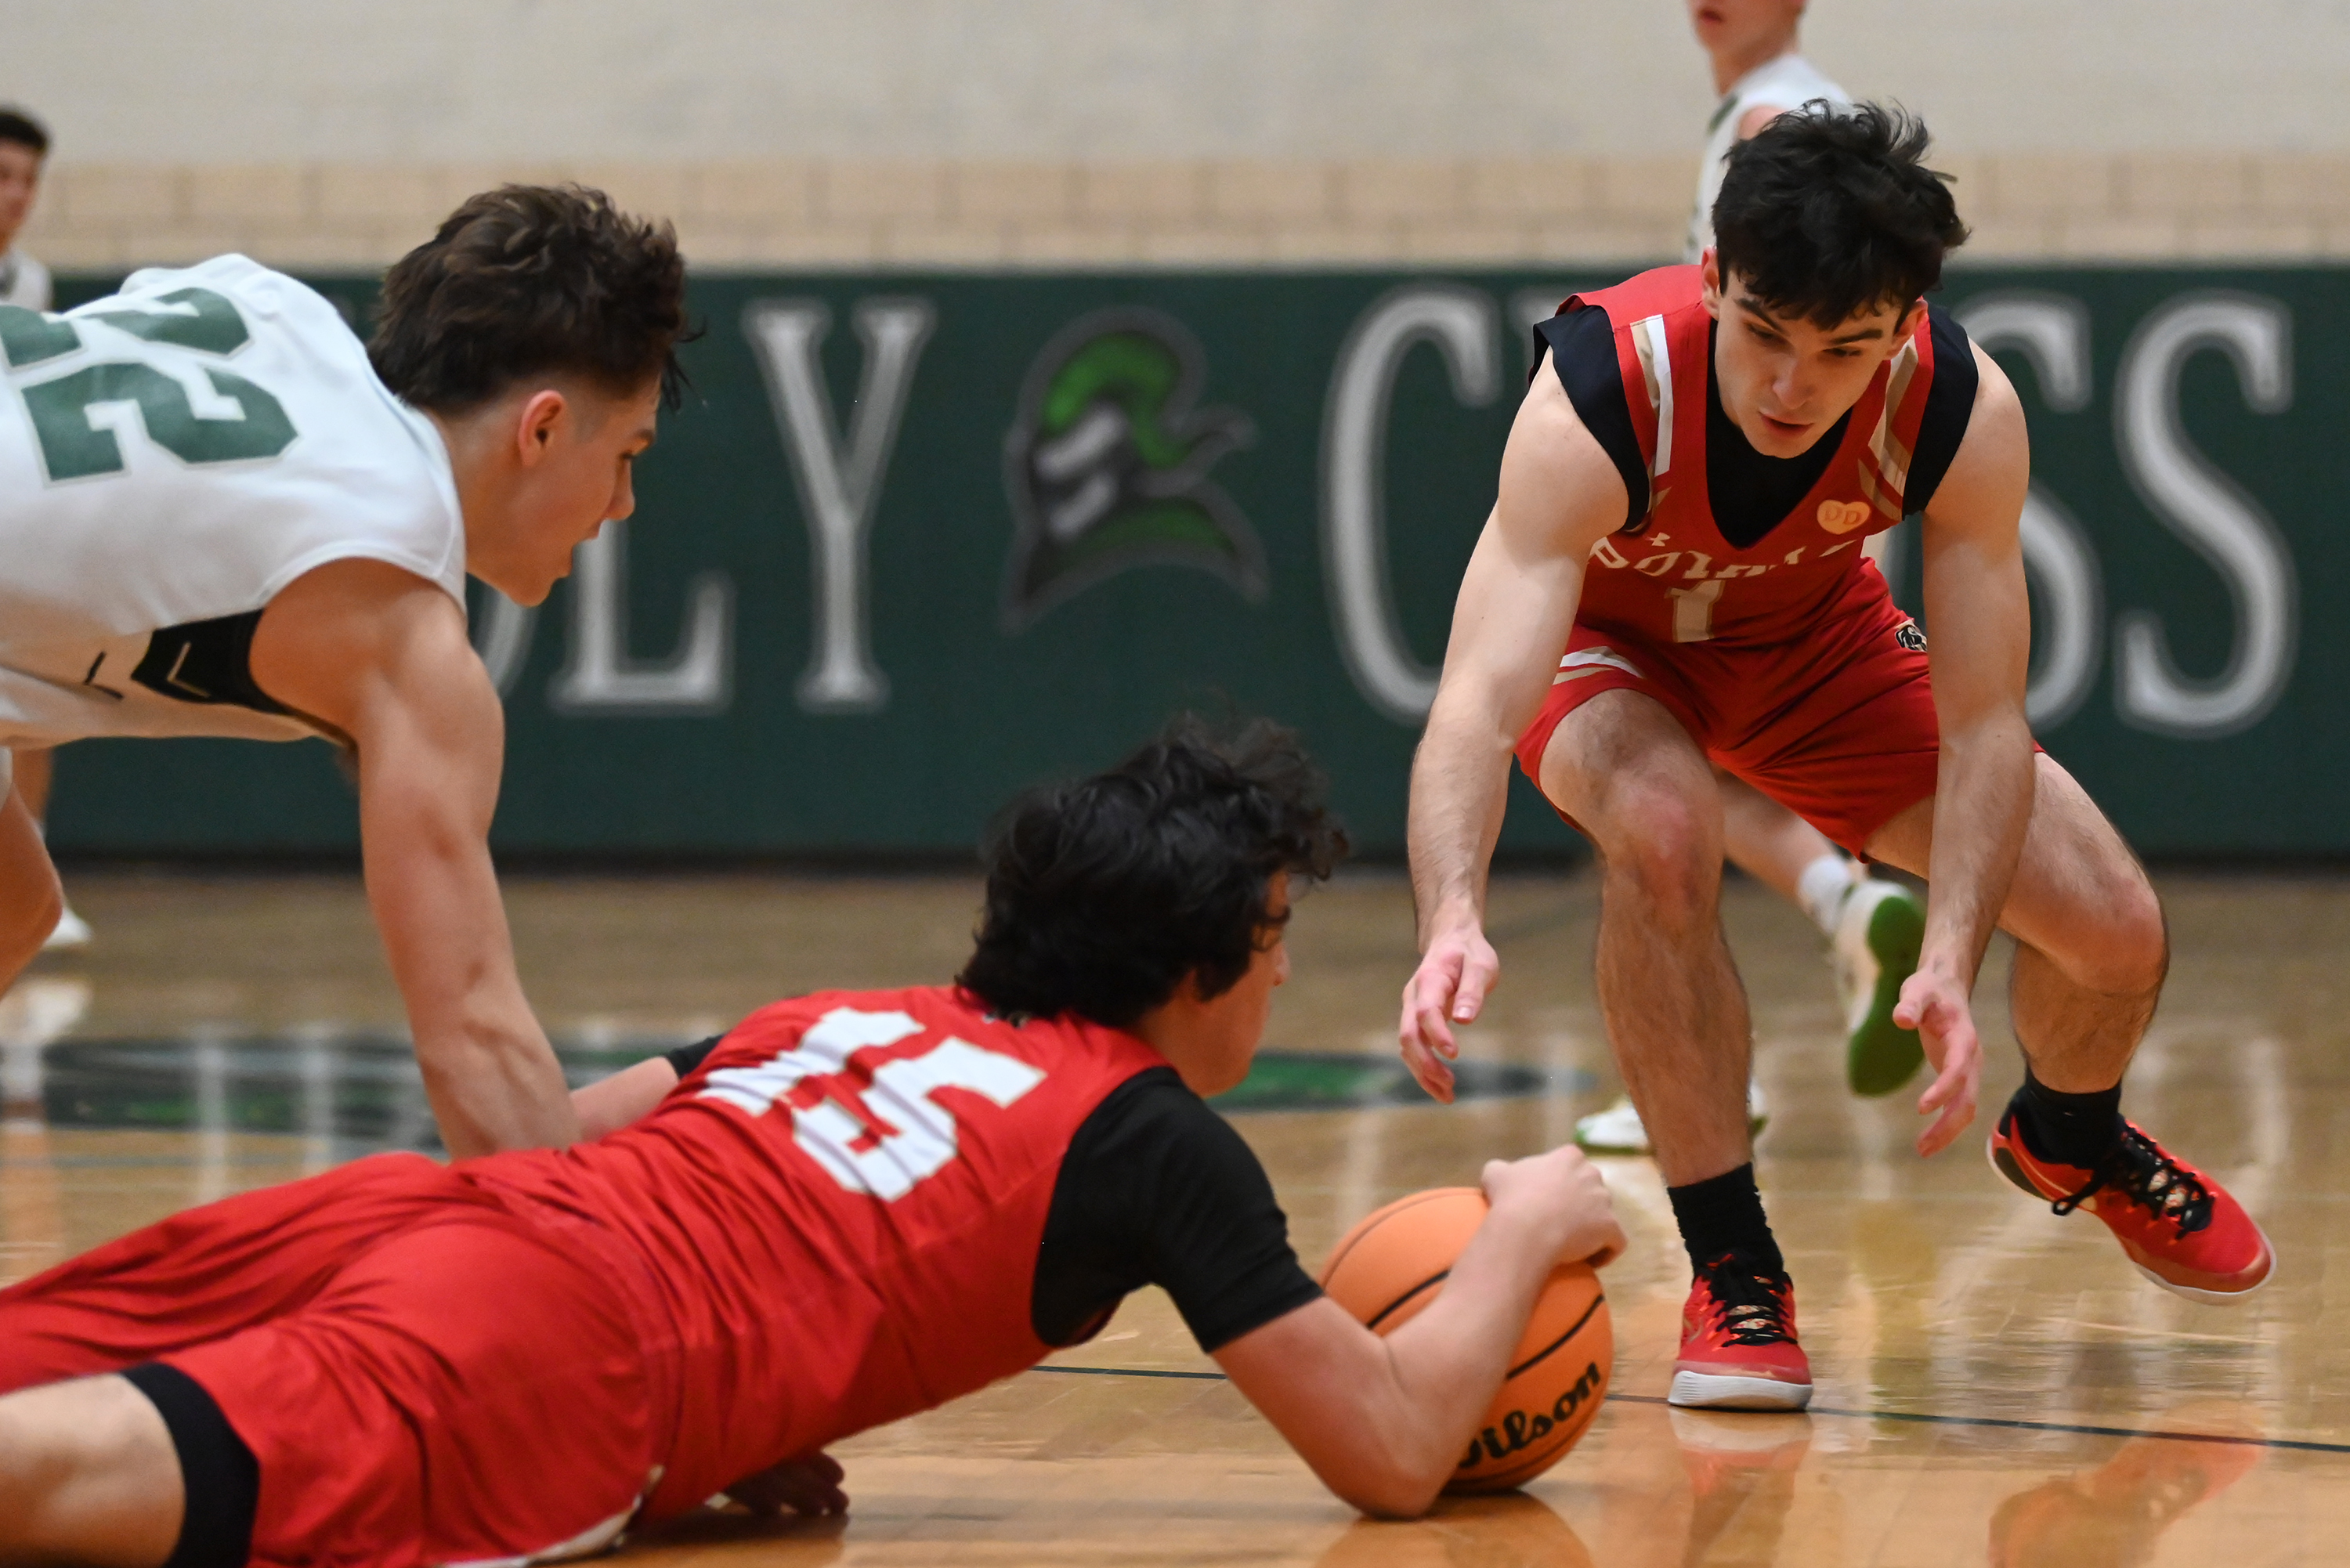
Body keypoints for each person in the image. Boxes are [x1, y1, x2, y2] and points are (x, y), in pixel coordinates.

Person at [0, 723, 1629, 1563]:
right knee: (62, 1485)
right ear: (1195, 959)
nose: (1283, 968)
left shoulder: (842, 1012)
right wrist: (1529, 1216)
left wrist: (740, 1388)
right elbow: (1397, 1451)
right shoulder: (1148, 1139)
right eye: (1272, 933)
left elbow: (543, 1137)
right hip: (554, 1353)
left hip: (405, 1221)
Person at [1397, 105, 2272, 1415]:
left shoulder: (1960, 408)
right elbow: (1472, 696)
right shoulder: (1601, 386)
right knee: (1668, 827)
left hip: (1816, 643)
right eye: (1762, 336)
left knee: (2114, 927)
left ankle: (2069, 1137)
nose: (1792, 387)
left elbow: (1986, 723)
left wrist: (1947, 954)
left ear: (1906, 325)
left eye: (1842, 349)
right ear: (1712, 280)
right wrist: (1451, 908)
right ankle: (1735, 1269)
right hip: (1612, 655)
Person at [0, 183, 689, 1158]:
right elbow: (474, 1044)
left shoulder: (265, 303)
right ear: (539, 429)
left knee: (14, 903)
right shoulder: (405, 627)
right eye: (626, 453)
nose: (621, 502)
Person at [1574, 0, 1922, 1158]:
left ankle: (1703, 1068)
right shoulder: (1768, 107)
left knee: (1648, 765)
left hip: (1779, 512)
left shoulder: (1775, 120)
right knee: (1682, 775)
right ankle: (1841, 911)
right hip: (1781, 504)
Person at [0, 103, 92, 954]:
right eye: (2, 175)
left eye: (29, 180)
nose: (16, 196)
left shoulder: (29, 285)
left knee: (33, 708)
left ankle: (36, 886)